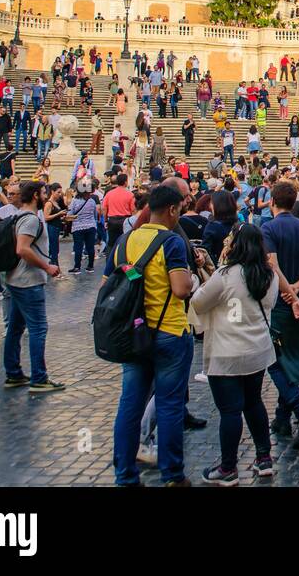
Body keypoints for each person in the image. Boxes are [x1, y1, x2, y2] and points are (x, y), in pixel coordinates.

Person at [108, 183, 197, 486]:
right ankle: (173, 474)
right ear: (172, 210)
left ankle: (124, 475)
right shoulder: (171, 242)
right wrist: (194, 280)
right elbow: (181, 288)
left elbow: (109, 285)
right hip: (169, 331)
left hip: (133, 334)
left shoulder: (124, 241)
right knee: (170, 405)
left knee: (129, 405)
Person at [190, 223, 280, 485]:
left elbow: (198, 301)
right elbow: (270, 304)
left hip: (226, 352)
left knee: (230, 410)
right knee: (253, 402)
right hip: (257, 349)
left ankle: (228, 467)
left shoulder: (226, 274)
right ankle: (264, 457)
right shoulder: (269, 275)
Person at [260, 180, 299, 446]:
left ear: (272, 202)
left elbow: (272, 266)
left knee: (275, 361)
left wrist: (289, 291)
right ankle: (281, 418)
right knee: (291, 358)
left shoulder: (268, 228)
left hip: (280, 303)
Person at [4, 182, 65, 393]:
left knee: (15, 328)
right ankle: (39, 377)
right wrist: (47, 267)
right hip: (28, 281)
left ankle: (13, 373)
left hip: (16, 279)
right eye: (43, 193)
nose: (46, 197)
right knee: (38, 329)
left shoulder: (20, 215)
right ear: (35, 195)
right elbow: (22, 249)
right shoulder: (30, 219)